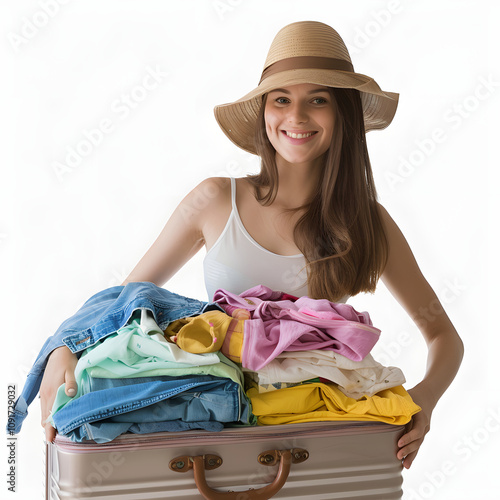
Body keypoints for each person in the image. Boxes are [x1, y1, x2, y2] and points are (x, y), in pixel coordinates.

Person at [39, 21, 464, 469]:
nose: (296, 117)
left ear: (343, 114)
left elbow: (443, 336)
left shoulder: (367, 223)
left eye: (317, 100)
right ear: (264, 111)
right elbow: (125, 301)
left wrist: (423, 402)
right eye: (282, 100)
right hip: (213, 430)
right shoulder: (215, 200)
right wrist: (64, 348)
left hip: (319, 436)